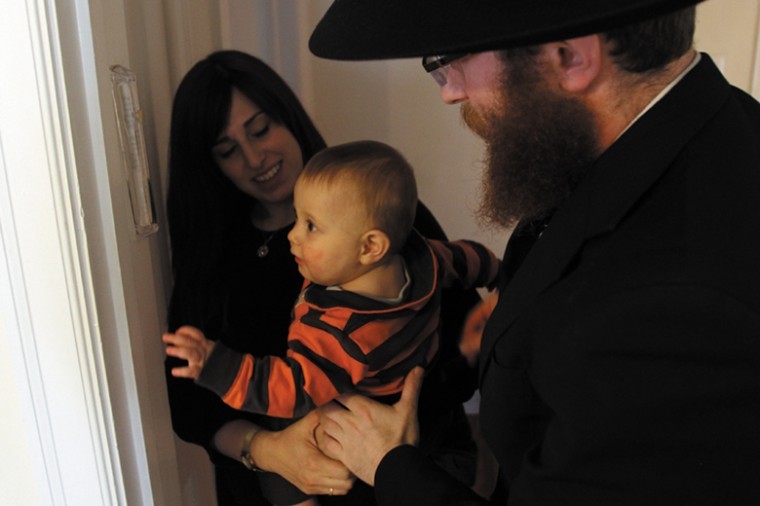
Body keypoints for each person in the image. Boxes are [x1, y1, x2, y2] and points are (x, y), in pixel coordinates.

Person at [308, 1, 760, 505]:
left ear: (569, 57)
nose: (451, 91)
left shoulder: (672, 308)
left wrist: (389, 465)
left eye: (449, 58)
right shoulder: (699, 125)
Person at [164, 50, 483, 505]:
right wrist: (269, 450)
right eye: (228, 151)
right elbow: (190, 407)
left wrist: (404, 414)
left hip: (401, 473)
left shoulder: (374, 215)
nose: (255, 158)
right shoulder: (213, 254)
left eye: (260, 129)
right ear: (210, 165)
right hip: (266, 482)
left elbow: (467, 337)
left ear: (287, 117)